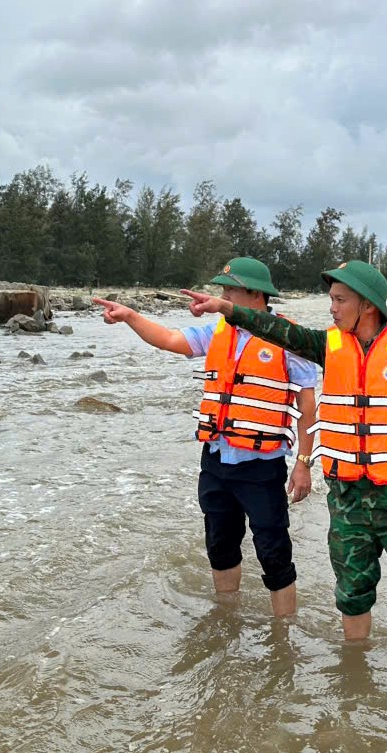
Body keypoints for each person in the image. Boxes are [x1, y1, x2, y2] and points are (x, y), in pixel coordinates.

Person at [180, 260, 387, 661]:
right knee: (351, 594)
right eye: (331, 299)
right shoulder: (327, 346)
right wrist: (226, 308)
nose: (331, 307)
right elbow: (279, 330)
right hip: (348, 499)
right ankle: (355, 674)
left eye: (340, 300)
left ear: (367, 305)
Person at [92, 257, 319, 617]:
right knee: (220, 545)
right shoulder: (219, 331)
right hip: (215, 461)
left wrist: (304, 464)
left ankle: (283, 632)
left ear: (256, 294)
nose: (223, 296)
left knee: (274, 552)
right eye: (222, 290)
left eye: (229, 290)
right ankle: (226, 618)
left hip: (261, 467)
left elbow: (309, 408)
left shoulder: (289, 338)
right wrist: (130, 316)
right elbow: (169, 339)